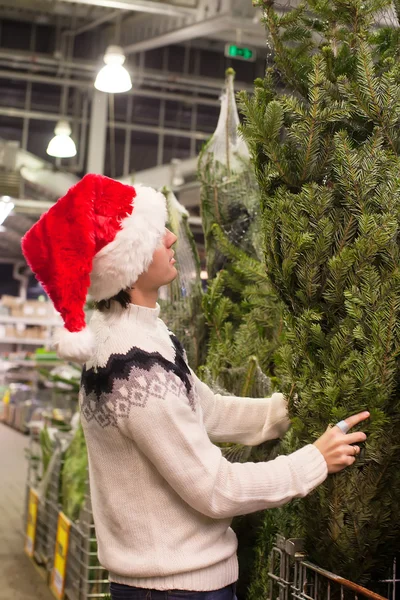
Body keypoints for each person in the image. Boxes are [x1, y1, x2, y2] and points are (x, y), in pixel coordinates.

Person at [21, 174, 369, 600]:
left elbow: (209, 411)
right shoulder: (133, 367)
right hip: (175, 589)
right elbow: (215, 488)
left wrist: (290, 409)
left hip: (178, 583)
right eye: (153, 234)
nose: (170, 238)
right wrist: (315, 460)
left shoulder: (145, 337)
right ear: (124, 264)